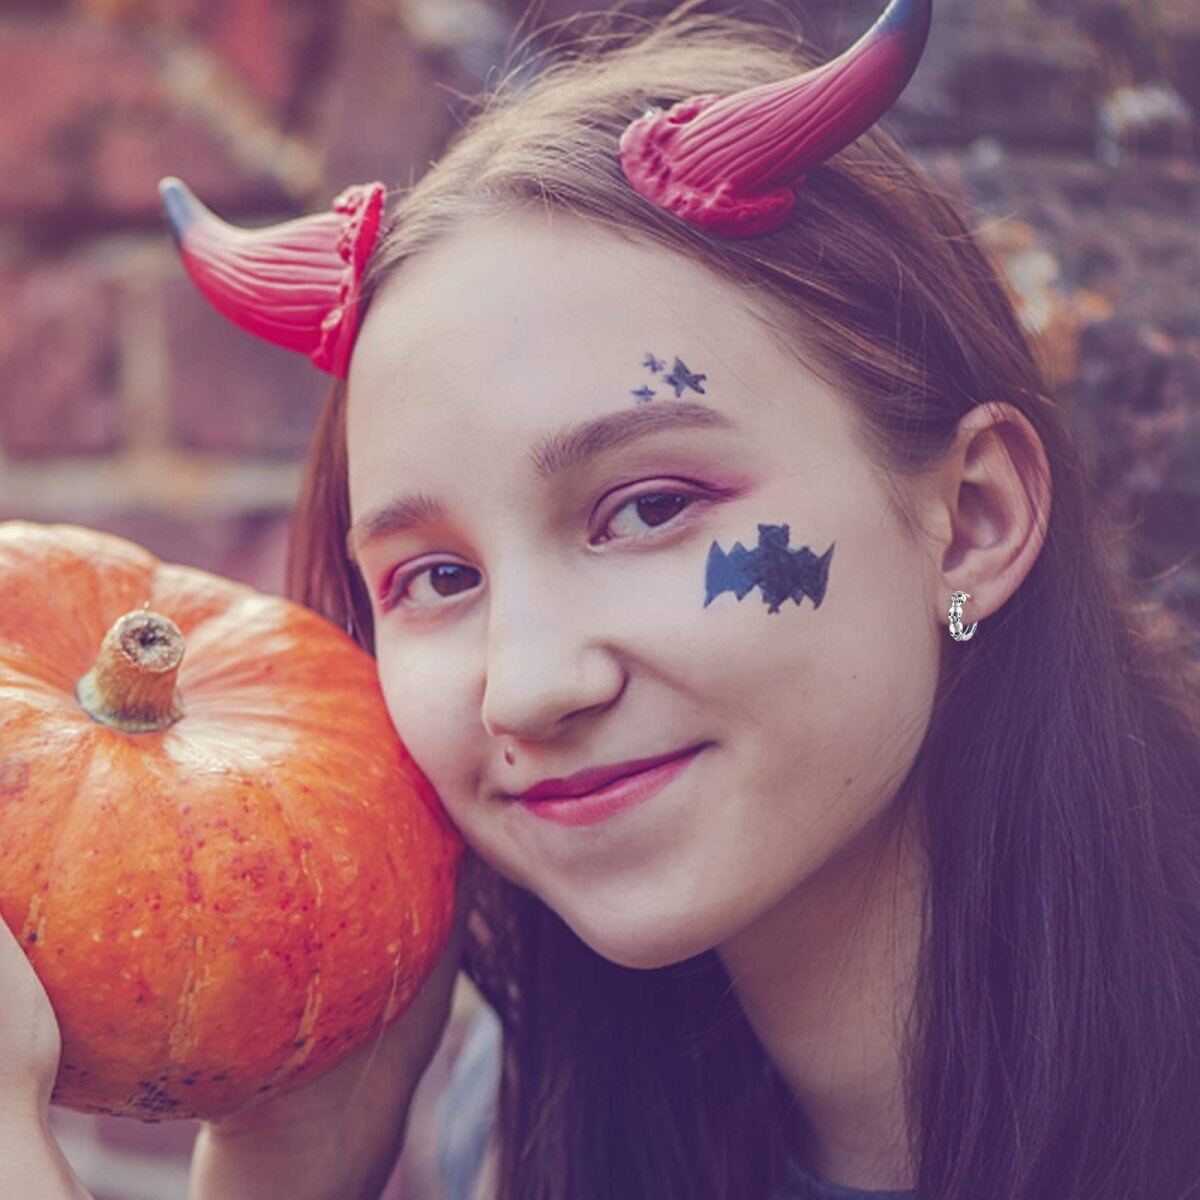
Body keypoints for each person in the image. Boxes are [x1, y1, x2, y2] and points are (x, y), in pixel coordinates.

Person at [3, 1, 1199, 1198]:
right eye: (439, 578)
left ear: (973, 519)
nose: (528, 687)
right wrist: (289, 1158)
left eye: (649, 508)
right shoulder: (526, 1122)